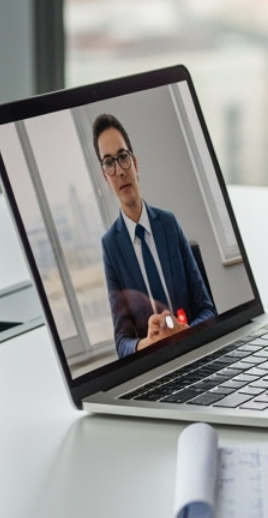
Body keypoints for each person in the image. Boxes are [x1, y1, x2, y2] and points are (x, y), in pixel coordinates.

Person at [94, 112, 217, 357]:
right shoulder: (111, 246)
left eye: (122, 157)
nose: (119, 170)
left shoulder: (169, 224)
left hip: (194, 354)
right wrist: (148, 343)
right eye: (109, 163)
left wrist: (185, 331)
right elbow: (123, 343)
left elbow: (208, 311)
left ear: (135, 163)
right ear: (105, 177)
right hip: (155, 365)